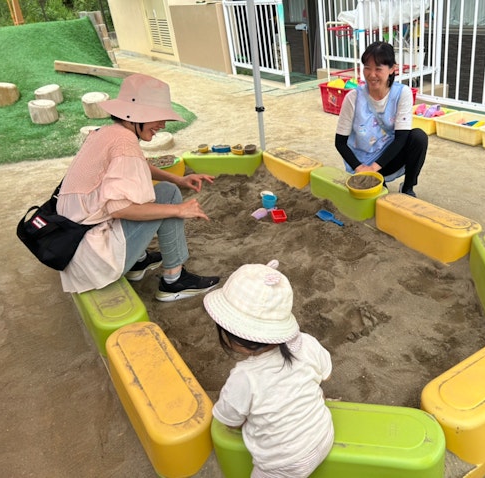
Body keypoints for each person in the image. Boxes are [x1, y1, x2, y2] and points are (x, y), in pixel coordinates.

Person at [57, 73, 220, 301]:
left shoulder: (105, 133)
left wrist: (179, 179)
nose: (163, 125)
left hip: (75, 244)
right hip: (93, 260)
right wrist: (178, 210)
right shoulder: (125, 142)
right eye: (157, 116)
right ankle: (174, 281)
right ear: (135, 114)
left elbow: (137, 166)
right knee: (167, 197)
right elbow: (120, 209)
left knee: (160, 190)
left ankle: (139, 262)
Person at [203, 260, 334, 478]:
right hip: (323, 435)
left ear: (232, 337)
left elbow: (229, 421)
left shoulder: (244, 377)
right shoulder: (308, 343)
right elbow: (326, 376)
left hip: (284, 462)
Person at [335, 41, 428, 197]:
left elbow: (401, 138)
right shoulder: (353, 98)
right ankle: (377, 182)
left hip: (388, 157)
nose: (372, 75)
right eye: (367, 68)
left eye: (378, 69)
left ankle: (408, 187)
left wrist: (374, 168)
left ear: (392, 69)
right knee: (374, 197)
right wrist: (361, 168)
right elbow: (340, 142)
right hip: (362, 162)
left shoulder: (402, 94)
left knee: (418, 137)